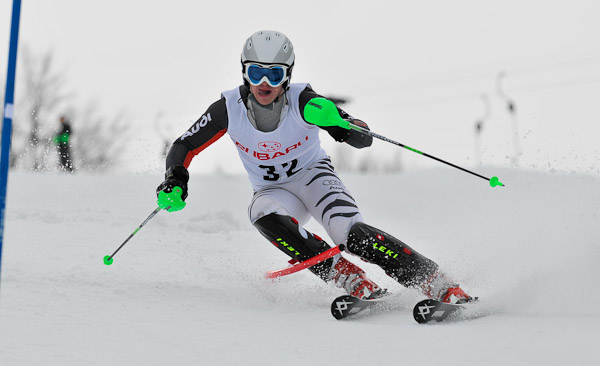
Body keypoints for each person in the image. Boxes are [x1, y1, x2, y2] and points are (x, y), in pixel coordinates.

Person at [157, 30, 473, 304]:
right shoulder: (228, 108)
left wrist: (341, 125)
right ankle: (346, 276)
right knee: (261, 213)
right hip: (275, 192)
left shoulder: (304, 101)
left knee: (350, 233)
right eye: (255, 74)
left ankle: (437, 282)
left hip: (315, 179)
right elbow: (184, 145)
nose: (264, 84)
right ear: (244, 73)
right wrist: (176, 178)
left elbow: (364, 139)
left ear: (288, 76)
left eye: (274, 75)